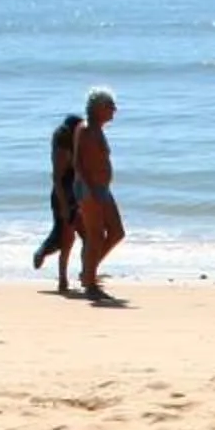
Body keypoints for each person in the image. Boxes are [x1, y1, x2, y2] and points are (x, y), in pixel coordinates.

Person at [72, 87, 123, 300]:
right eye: (110, 106)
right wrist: (91, 190)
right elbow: (78, 162)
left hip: (102, 188)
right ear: (98, 108)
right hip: (89, 189)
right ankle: (90, 283)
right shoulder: (85, 129)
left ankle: (87, 272)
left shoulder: (97, 129)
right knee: (95, 235)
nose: (114, 110)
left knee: (116, 232)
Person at [31, 110, 80, 290]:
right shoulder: (62, 149)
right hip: (63, 196)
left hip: (74, 194)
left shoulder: (73, 145)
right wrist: (64, 205)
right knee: (66, 238)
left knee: (67, 236)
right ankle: (62, 279)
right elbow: (57, 179)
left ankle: (84, 273)